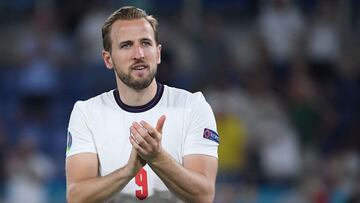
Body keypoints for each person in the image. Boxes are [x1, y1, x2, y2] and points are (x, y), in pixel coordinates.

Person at [65, 6, 219, 203]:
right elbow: (76, 196)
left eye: (145, 43)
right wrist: (128, 171)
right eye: (126, 45)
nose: (138, 54)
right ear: (108, 59)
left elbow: (204, 195)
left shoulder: (193, 106)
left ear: (158, 53)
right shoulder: (87, 112)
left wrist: (157, 157)